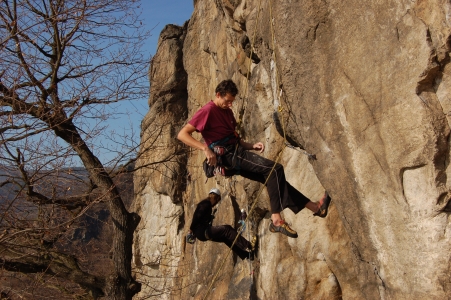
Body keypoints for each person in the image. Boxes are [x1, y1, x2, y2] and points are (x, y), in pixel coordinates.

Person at [178, 79, 331, 238]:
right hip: (228, 156)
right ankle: (276, 220)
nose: (230, 104)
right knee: (275, 169)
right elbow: (182, 134)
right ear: (218, 95)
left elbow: (233, 138)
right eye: (227, 100)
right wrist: (205, 148)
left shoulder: (228, 112)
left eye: (232, 101)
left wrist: (251, 146)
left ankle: (316, 208)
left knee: (274, 179)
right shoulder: (207, 111)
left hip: (235, 151)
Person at [187, 188, 256, 260]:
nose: (216, 202)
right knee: (227, 229)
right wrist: (191, 230)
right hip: (202, 231)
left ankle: (247, 255)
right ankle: (248, 245)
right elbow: (197, 216)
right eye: (217, 200)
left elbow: (199, 219)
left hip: (201, 233)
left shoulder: (207, 205)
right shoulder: (206, 204)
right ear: (214, 196)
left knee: (225, 238)